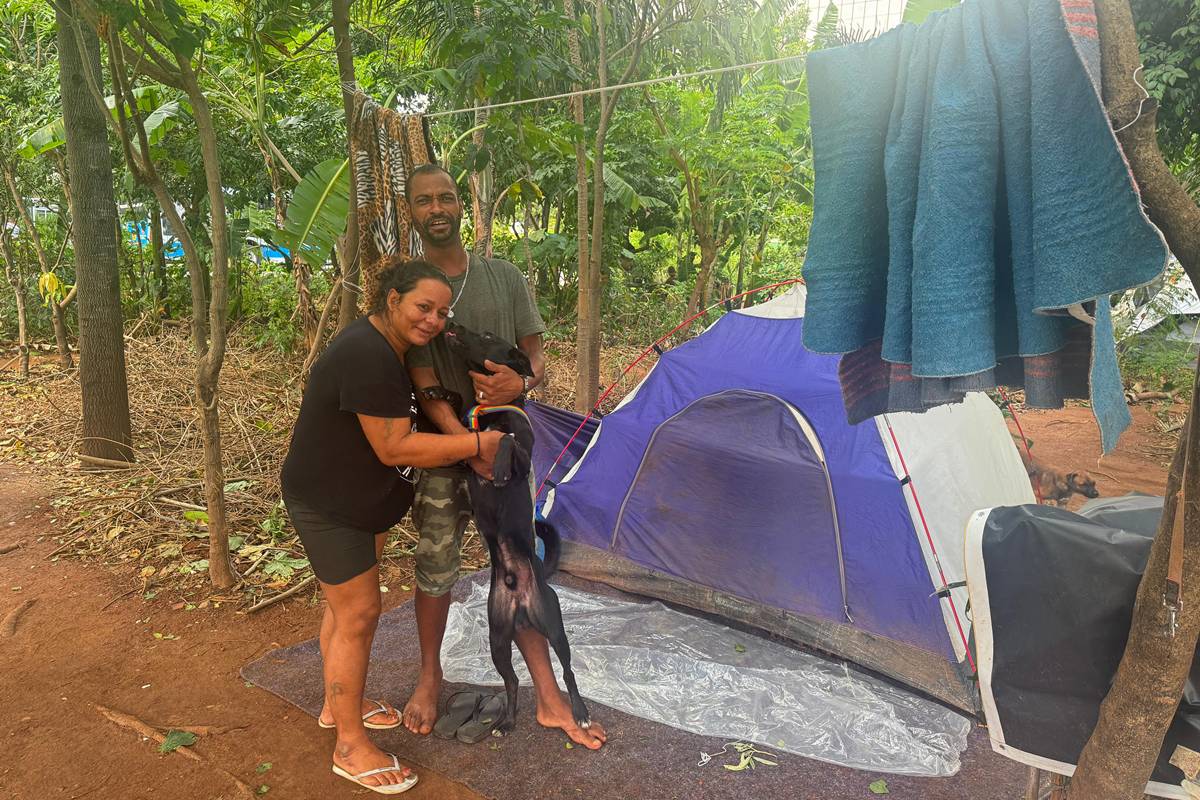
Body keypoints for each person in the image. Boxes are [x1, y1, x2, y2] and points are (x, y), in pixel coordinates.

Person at [401, 163, 608, 749]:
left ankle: (546, 694)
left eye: (446, 198)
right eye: (424, 201)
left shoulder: (504, 278)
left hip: (508, 448)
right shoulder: (408, 286)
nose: (436, 209)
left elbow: (535, 361)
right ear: (411, 211)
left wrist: (519, 388)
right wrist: (466, 441)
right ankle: (428, 676)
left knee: (515, 561)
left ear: (462, 205)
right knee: (435, 565)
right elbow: (421, 379)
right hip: (445, 448)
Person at [280, 258, 506, 794]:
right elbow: (394, 446)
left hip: (360, 504)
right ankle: (351, 748)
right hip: (330, 505)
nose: (432, 319)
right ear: (391, 301)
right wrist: (479, 444)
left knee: (345, 610)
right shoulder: (366, 353)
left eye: (441, 311)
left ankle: (341, 708)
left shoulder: (393, 350)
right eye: (422, 307)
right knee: (359, 613)